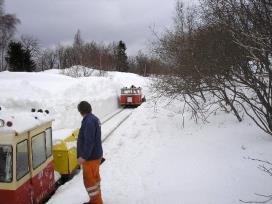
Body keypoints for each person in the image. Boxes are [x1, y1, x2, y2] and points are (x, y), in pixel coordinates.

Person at [77, 101, 103, 204]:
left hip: (90, 158)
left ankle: (96, 202)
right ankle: (95, 201)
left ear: (81, 111)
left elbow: (89, 141)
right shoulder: (93, 119)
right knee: (95, 181)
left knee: (90, 183)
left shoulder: (89, 121)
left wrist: (83, 156)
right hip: (95, 156)